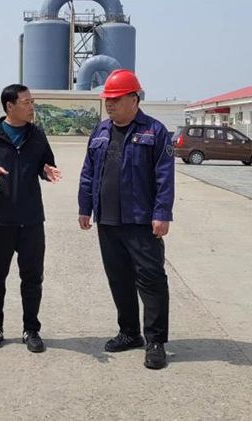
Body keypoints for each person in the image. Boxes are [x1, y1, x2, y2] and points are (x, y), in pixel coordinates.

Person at [77, 69, 175, 370]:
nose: (110, 104)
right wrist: (84, 207)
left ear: (134, 99)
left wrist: (162, 213)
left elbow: (164, 177)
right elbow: (88, 172)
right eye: (107, 99)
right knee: (118, 278)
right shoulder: (100, 131)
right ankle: (130, 332)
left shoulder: (155, 131)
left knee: (151, 279)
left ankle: (155, 341)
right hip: (108, 221)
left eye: (116, 99)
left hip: (141, 221)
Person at [0, 84, 61, 353]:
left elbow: (45, 163)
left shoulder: (37, 135)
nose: (32, 107)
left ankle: (31, 329)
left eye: (32, 102)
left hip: (31, 220)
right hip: (0, 220)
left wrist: (47, 171)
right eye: (26, 102)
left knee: (33, 278)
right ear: (10, 106)